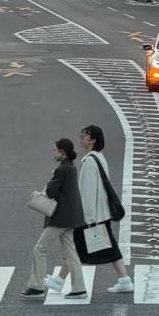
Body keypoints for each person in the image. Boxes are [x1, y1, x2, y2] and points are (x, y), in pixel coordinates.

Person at [56, 125, 132, 294]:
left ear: (93, 140)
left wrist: (87, 218)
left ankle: (59, 280)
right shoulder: (98, 157)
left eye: (85, 135)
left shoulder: (90, 161)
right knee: (87, 248)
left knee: (75, 247)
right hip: (99, 214)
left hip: (91, 216)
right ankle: (59, 280)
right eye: (81, 134)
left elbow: (88, 192)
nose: (81, 137)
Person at [20, 138, 88, 299]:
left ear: (62, 152)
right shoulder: (71, 167)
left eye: (55, 150)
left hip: (61, 218)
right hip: (71, 217)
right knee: (71, 253)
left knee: (40, 248)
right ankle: (79, 288)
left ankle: (37, 286)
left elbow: (51, 192)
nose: (53, 153)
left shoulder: (62, 170)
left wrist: (51, 180)